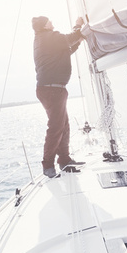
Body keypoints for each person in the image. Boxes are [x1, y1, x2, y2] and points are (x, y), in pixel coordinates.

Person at [32, 15, 86, 178]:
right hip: (52, 90)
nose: (52, 23)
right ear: (44, 25)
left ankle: (64, 160)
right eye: (49, 21)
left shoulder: (45, 40)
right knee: (56, 127)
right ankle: (48, 165)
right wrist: (78, 26)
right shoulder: (48, 37)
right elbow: (70, 39)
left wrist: (79, 39)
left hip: (52, 89)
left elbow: (68, 49)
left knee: (63, 125)